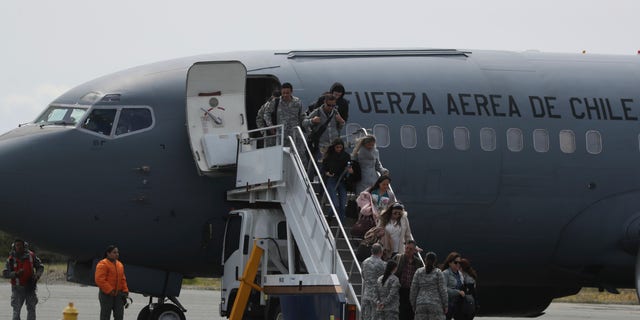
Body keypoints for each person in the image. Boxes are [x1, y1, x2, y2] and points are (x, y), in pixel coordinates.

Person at [3, 239, 44, 320]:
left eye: (20, 245)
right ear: (14, 247)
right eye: (17, 245)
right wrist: (16, 274)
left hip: (30, 288)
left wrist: (37, 275)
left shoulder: (31, 256)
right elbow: (5, 273)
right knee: (16, 312)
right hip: (17, 289)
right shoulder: (11, 259)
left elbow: (40, 267)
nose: (19, 247)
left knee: (31, 309)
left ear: (24, 245)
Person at [262, 82, 306, 147]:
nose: (285, 95)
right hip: (281, 134)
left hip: (294, 134)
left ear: (291, 92)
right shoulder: (275, 102)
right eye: (283, 93)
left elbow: (301, 116)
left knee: (295, 154)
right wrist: (270, 126)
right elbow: (266, 113)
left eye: (287, 93)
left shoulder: (297, 102)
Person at [303, 94, 345, 160]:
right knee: (321, 165)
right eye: (329, 105)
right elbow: (304, 123)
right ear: (325, 102)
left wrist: (341, 122)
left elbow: (339, 127)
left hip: (333, 145)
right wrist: (312, 121)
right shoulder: (318, 112)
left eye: (333, 106)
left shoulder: (335, 112)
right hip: (321, 146)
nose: (331, 107)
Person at [321, 138, 352, 221]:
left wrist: (350, 170)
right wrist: (327, 173)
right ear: (334, 147)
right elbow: (323, 168)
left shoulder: (346, 156)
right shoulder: (329, 156)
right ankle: (330, 216)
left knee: (342, 205)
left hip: (342, 180)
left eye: (340, 147)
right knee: (335, 204)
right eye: (337, 147)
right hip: (331, 180)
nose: (339, 149)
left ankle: (341, 224)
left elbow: (349, 167)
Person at [95, 245, 129, 320]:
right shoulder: (103, 264)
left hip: (118, 294)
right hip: (106, 294)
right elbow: (99, 279)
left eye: (117, 252)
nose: (117, 254)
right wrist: (110, 290)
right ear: (108, 253)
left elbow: (123, 279)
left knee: (119, 315)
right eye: (114, 252)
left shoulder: (120, 265)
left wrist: (125, 291)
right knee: (105, 316)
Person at [410, 252, 448, 320]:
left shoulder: (418, 272)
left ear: (425, 259)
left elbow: (413, 290)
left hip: (420, 304)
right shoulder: (438, 272)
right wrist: (445, 305)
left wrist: (413, 304)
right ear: (435, 261)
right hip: (436, 305)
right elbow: (443, 290)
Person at [394, 240, 424, 320]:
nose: (407, 250)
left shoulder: (418, 262)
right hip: (400, 290)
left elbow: (421, 277)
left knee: (411, 314)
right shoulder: (398, 258)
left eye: (410, 249)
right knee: (400, 313)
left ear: (414, 250)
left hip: (412, 291)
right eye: (406, 248)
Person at [441, 252, 469, 320]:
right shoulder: (445, 273)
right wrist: (457, 292)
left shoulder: (460, 273)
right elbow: (443, 289)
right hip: (448, 305)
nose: (458, 264)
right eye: (456, 262)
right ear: (450, 263)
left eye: (460, 262)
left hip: (459, 305)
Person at [361, 243, 386, 320]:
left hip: (366, 294)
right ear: (381, 252)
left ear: (371, 251)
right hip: (377, 297)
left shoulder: (365, 262)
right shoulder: (383, 264)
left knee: (366, 317)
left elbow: (363, 276)